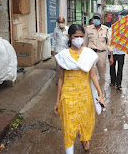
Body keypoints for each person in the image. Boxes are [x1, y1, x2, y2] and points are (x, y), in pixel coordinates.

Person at [54, 24, 106, 154]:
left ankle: (84, 138)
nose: (79, 39)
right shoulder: (63, 56)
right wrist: (57, 100)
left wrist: (100, 94)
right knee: (68, 125)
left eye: (81, 36)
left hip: (85, 95)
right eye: (75, 36)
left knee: (86, 121)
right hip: (68, 95)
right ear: (69, 37)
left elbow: (93, 75)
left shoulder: (89, 54)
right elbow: (61, 78)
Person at [85, 13, 114, 92]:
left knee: (102, 76)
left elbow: (109, 44)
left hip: (102, 54)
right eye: (95, 18)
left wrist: (111, 57)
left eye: (98, 18)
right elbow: (85, 43)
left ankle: (99, 91)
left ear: (101, 20)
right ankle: (90, 91)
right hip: (91, 53)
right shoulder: (88, 29)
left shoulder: (106, 29)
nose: (96, 20)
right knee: (90, 74)